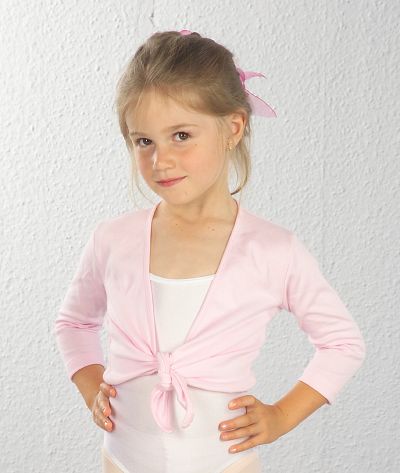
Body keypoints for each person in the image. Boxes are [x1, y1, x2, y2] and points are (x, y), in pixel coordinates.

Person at [54, 30, 366, 473]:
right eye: (144, 141)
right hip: (121, 462)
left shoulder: (273, 250)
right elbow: (74, 322)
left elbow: (342, 343)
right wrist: (91, 388)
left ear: (233, 128)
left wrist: (281, 416)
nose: (160, 160)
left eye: (181, 135)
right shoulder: (112, 239)